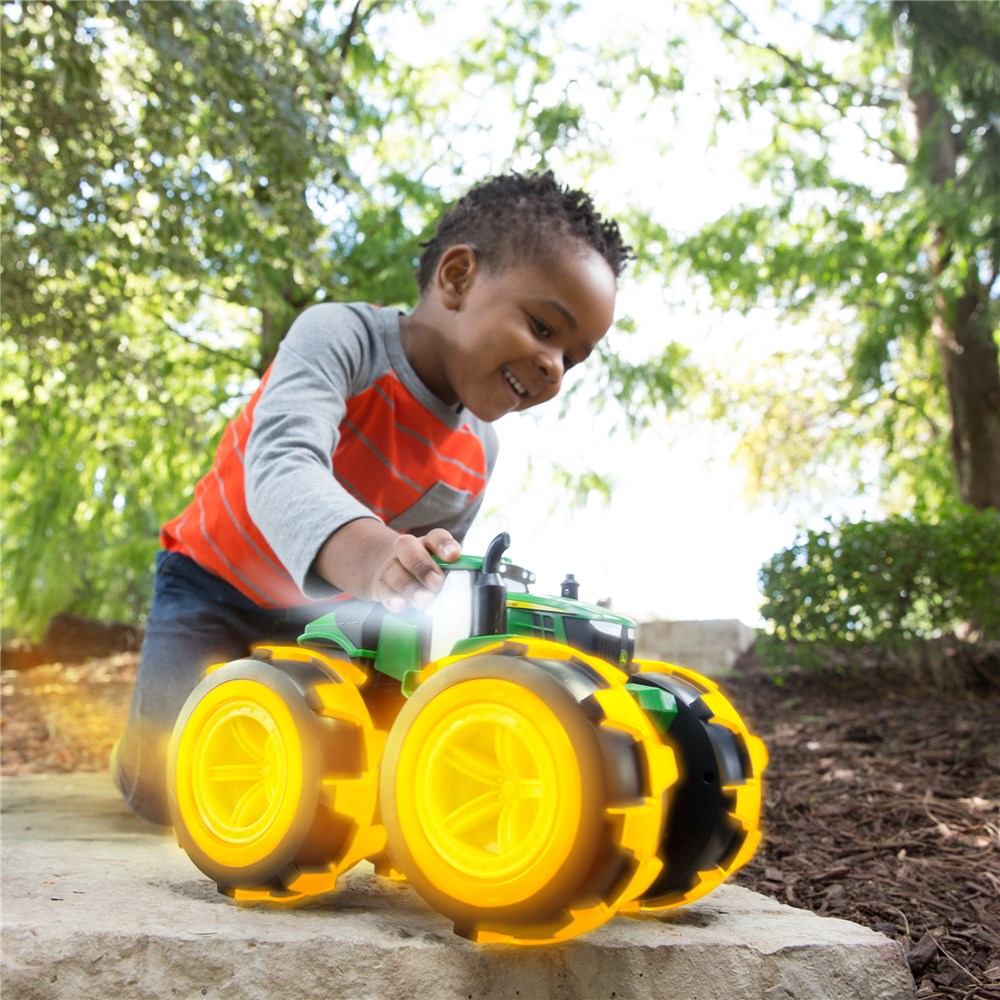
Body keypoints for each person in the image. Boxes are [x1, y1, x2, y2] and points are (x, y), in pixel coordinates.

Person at [112, 170, 634, 824]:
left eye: (573, 358)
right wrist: (375, 555)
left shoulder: (480, 452)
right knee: (164, 790)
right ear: (457, 278)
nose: (554, 366)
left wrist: (426, 580)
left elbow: (417, 585)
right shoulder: (340, 338)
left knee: (326, 783)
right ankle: (140, 749)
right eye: (542, 327)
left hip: (320, 617)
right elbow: (280, 464)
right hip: (210, 580)